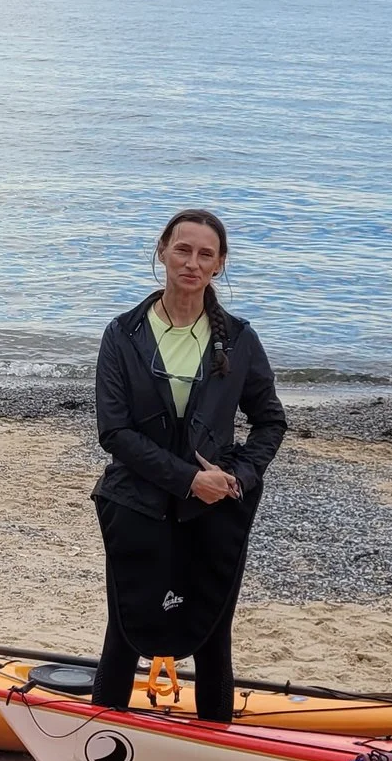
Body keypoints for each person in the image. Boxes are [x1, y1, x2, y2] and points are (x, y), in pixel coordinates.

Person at [89, 208, 286, 724]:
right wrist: (186, 479)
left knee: (213, 635)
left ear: (219, 264)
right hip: (135, 503)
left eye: (205, 254)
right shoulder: (123, 333)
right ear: (162, 252)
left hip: (214, 511)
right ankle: (99, 744)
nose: (192, 263)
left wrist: (237, 477)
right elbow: (114, 432)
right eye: (183, 250)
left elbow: (270, 422)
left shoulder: (238, 339)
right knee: (125, 629)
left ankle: (216, 744)